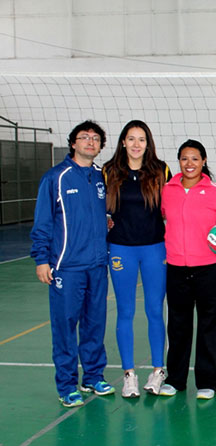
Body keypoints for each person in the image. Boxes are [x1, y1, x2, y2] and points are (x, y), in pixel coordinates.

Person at [30, 120, 113, 407]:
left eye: (95, 138)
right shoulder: (56, 177)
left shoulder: (103, 176)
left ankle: (92, 376)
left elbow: (109, 215)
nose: (90, 142)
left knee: (94, 323)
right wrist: (42, 259)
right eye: (84, 137)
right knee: (65, 327)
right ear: (73, 143)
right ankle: (66, 385)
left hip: (97, 265)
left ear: (101, 145)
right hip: (67, 267)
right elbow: (42, 222)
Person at [159, 139, 216, 400]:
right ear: (179, 162)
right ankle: (175, 379)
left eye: (195, 159)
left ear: (204, 161)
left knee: (209, 325)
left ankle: (208, 381)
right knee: (177, 326)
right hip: (175, 268)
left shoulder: (214, 191)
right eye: (185, 159)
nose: (190, 164)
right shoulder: (168, 190)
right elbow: (160, 217)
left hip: (208, 269)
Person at [102, 120, 171, 398]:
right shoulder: (109, 171)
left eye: (141, 139)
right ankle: (129, 374)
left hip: (155, 248)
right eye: (131, 139)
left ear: (148, 143)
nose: (136, 144)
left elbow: (172, 205)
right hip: (121, 249)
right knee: (125, 311)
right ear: (123, 142)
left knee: (155, 310)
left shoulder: (160, 170)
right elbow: (98, 205)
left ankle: (158, 370)